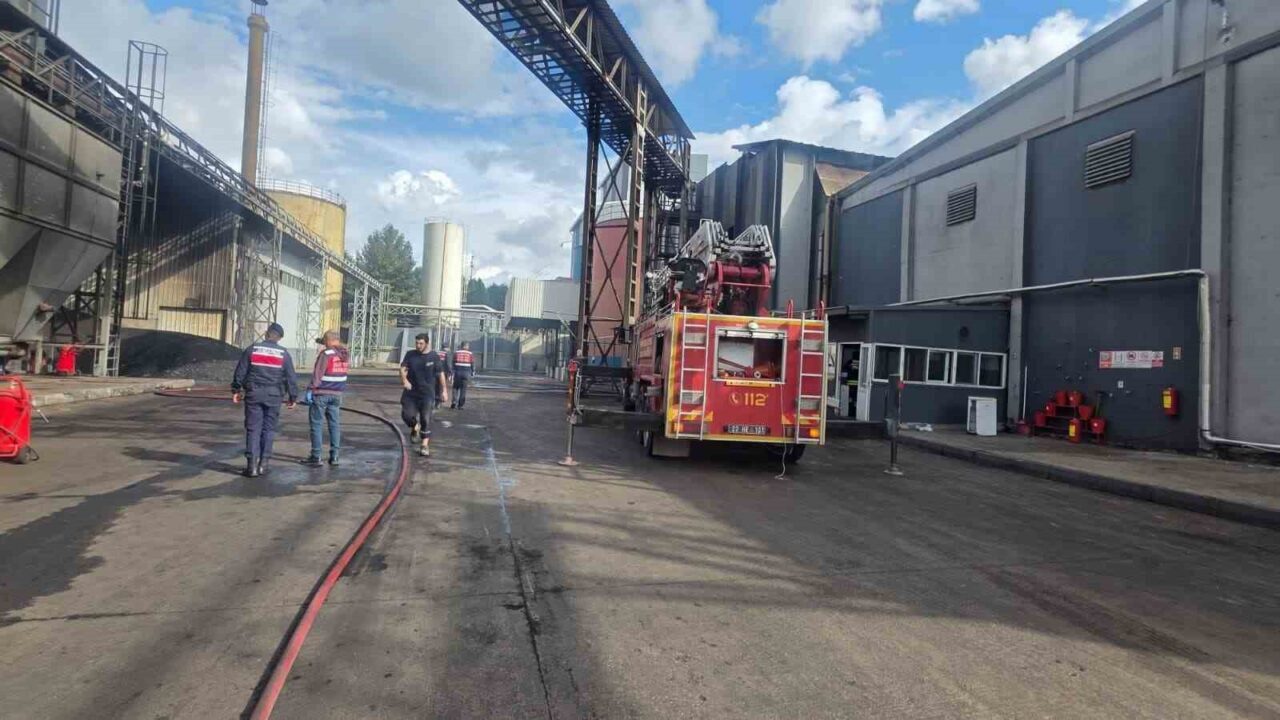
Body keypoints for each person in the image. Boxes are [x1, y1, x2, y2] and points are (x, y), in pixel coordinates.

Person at [231, 322, 298, 478]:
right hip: (274, 396)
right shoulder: (283, 354)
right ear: (279, 338)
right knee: (269, 429)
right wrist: (292, 397)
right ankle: (263, 464)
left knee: (253, 429)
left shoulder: (252, 349)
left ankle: (252, 467)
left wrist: (236, 390)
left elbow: (240, 372)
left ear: (267, 334)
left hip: (254, 394)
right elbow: (291, 377)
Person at [303, 330, 348, 467]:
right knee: (334, 425)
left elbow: (318, 375)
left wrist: (310, 390)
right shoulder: (345, 354)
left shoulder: (326, 354)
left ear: (329, 340)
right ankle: (334, 456)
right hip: (337, 394)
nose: (324, 344)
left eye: (325, 341)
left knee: (316, 425)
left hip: (322, 394)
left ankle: (316, 456)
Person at [400, 333, 449, 457]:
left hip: (427, 394)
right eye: (417, 343)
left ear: (427, 343)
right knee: (406, 415)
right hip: (411, 392)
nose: (418, 346)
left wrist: (444, 390)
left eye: (421, 343)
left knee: (425, 418)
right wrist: (404, 380)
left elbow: (440, 374)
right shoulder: (410, 354)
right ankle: (414, 426)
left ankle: (424, 445)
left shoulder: (434, 357)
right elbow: (403, 368)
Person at [450, 341, 474, 409]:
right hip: (466, 373)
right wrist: (472, 372)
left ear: (461, 346)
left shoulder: (456, 353)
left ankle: (454, 402)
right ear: (466, 346)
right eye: (468, 346)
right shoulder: (470, 354)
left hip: (457, 373)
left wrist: (452, 372)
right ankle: (460, 405)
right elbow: (472, 363)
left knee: (455, 388)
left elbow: (453, 363)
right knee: (463, 389)